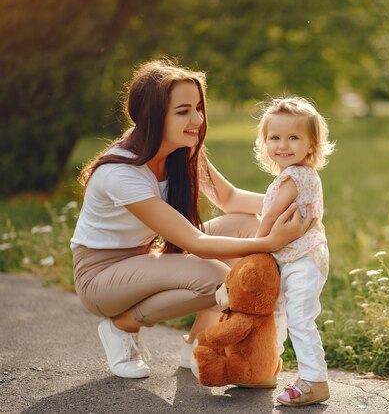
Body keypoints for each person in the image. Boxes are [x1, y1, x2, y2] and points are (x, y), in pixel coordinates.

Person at [70, 59, 313, 380]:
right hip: (101, 277)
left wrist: (304, 204)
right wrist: (272, 241)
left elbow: (230, 200)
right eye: (183, 111)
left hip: (148, 259)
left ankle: (197, 345)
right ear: (153, 116)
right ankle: (120, 327)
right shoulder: (120, 173)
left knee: (247, 223)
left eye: (198, 107)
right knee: (216, 276)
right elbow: (193, 242)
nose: (197, 119)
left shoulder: (183, 149)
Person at [253, 97, 335, 406]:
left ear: (312, 144)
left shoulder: (296, 176)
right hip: (292, 257)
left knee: (300, 317)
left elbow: (272, 216)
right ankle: (266, 367)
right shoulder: (295, 174)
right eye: (275, 137)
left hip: (305, 260)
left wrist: (253, 249)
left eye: (293, 137)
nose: (282, 144)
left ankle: (315, 380)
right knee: (279, 313)